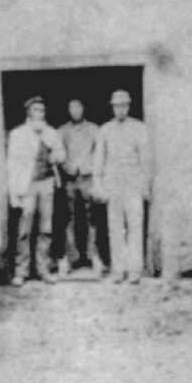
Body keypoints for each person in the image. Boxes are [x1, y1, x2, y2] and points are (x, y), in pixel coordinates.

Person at [6, 96, 67, 285]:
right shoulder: (18, 134)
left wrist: (54, 154)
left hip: (46, 183)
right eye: (36, 110)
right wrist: (14, 192)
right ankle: (21, 271)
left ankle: (43, 269)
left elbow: (62, 154)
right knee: (25, 228)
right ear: (29, 113)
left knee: (46, 228)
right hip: (27, 184)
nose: (40, 113)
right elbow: (12, 164)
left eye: (42, 110)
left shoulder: (50, 133)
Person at [94, 89, 151, 284]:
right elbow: (99, 160)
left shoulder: (139, 128)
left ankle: (135, 269)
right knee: (115, 227)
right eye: (117, 106)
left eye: (124, 105)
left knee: (135, 225)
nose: (121, 109)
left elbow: (145, 159)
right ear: (112, 107)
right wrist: (99, 185)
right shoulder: (105, 130)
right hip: (113, 184)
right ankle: (118, 269)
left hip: (133, 183)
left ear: (129, 106)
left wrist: (145, 185)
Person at [58, 98, 102, 275]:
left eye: (78, 107)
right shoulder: (62, 130)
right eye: (72, 108)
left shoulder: (93, 129)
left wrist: (92, 169)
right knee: (69, 218)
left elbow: (100, 152)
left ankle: (93, 256)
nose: (75, 111)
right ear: (68, 111)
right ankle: (71, 256)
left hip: (88, 178)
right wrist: (66, 167)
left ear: (83, 109)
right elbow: (57, 151)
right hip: (70, 179)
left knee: (93, 218)